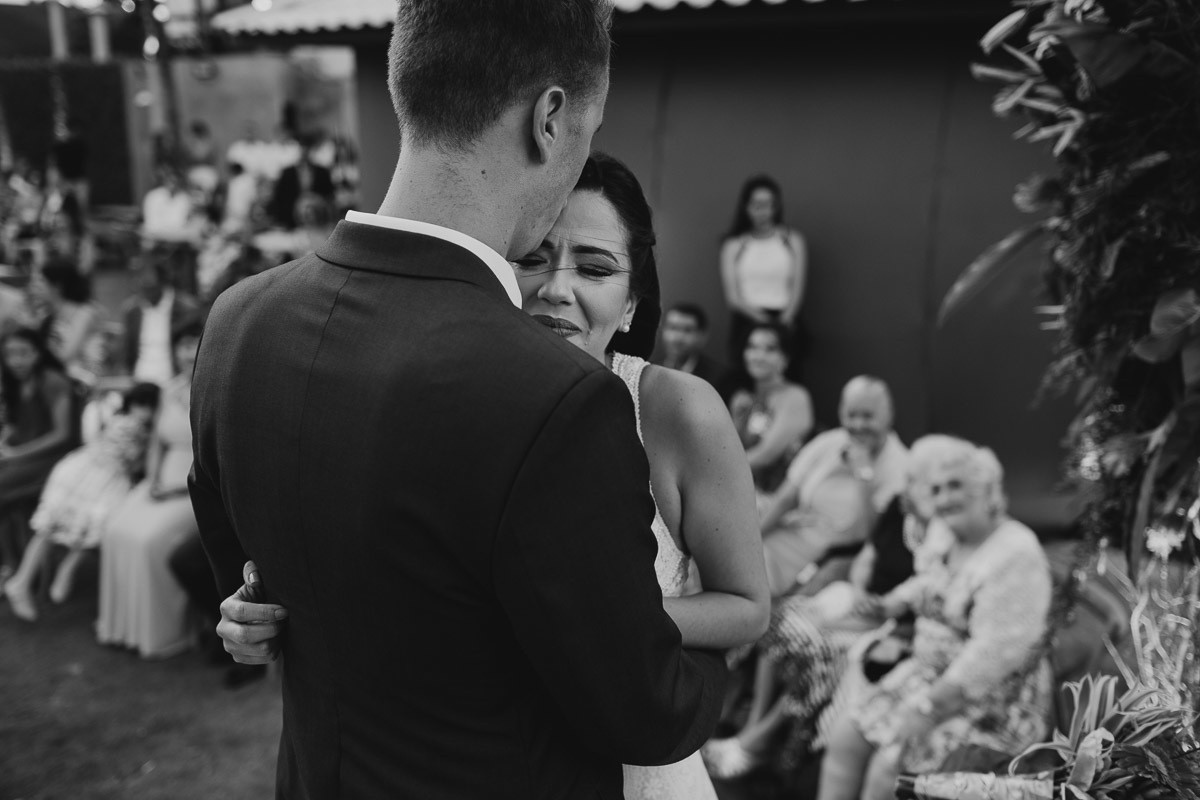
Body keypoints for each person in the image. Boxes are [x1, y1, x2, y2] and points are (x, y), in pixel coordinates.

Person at [189, 3, 729, 798]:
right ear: (551, 119)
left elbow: (254, 586)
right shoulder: (556, 399)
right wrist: (713, 656)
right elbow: (646, 710)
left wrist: (248, 612)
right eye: (589, 130)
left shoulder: (238, 322)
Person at [817, 435, 1054, 800]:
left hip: (988, 701)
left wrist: (928, 710)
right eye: (937, 489)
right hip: (926, 675)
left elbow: (991, 655)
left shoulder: (1016, 553)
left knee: (891, 768)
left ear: (989, 489)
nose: (944, 499)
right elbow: (928, 581)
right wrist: (892, 603)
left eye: (956, 485)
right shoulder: (945, 531)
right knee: (846, 736)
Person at [4, 382, 159, 621]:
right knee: (66, 525)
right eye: (141, 405)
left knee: (81, 526)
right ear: (131, 404)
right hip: (97, 476)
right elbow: (134, 460)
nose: (145, 412)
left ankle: (52, 575)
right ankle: (44, 577)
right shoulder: (133, 427)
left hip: (92, 473)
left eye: (150, 407)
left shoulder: (119, 419)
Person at [95, 324, 200, 657]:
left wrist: (178, 490)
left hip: (194, 488)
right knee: (115, 529)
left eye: (194, 344)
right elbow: (157, 442)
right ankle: (124, 629)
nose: (187, 352)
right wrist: (152, 480)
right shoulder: (168, 389)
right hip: (161, 480)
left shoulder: (216, 390)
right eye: (182, 345)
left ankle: (164, 633)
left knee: (147, 540)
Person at [756, 376, 908, 597]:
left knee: (756, 581)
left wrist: (864, 473)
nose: (858, 425)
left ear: (889, 415)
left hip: (833, 557)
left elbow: (875, 538)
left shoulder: (900, 466)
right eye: (851, 415)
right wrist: (754, 536)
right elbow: (785, 499)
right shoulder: (828, 442)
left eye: (868, 416)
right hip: (791, 532)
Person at [0, 328, 77, 582]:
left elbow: (62, 435)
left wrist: (16, 453)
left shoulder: (53, 381)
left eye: (23, 353)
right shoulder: (14, 382)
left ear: (37, 353)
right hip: (23, 455)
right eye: (9, 354)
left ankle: (14, 567)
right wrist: (5, 442)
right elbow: (16, 424)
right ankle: (12, 563)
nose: (16, 361)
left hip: (53, 458)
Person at [719, 175, 807, 372]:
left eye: (768, 204)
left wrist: (783, 322)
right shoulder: (734, 244)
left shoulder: (792, 240)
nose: (763, 211)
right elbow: (734, 298)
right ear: (746, 206)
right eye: (756, 205)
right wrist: (765, 323)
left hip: (786, 321)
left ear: (776, 206)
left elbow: (797, 286)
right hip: (747, 321)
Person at [728, 321, 813, 496]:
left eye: (770, 349)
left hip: (775, 497)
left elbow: (766, 455)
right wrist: (736, 418)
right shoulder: (745, 398)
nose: (758, 356)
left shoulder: (795, 397)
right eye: (752, 347)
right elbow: (730, 449)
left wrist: (716, 472)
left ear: (785, 357)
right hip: (742, 489)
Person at [119, 258, 201, 387]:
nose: (143, 283)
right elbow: (127, 353)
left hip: (175, 384)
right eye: (139, 280)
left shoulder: (186, 309)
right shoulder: (132, 310)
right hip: (140, 383)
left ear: (162, 280)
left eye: (149, 282)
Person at [29, 256, 103, 383]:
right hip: (58, 378)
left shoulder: (85, 313)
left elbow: (64, 355)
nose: (34, 288)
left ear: (57, 286)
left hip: (84, 379)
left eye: (41, 281)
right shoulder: (48, 315)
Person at [654, 303, 730, 393]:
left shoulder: (718, 377)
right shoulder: (651, 370)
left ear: (702, 336)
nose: (677, 338)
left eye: (687, 330)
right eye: (673, 328)